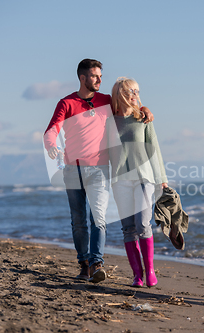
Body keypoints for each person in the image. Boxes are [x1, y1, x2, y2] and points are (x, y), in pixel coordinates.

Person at [44, 60, 153, 283]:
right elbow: (52, 129)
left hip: (99, 169)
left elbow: (127, 108)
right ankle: (84, 264)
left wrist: (144, 109)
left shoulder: (105, 101)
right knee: (78, 220)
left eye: (101, 76)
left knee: (99, 219)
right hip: (72, 170)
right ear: (83, 78)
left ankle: (97, 263)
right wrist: (51, 145)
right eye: (95, 76)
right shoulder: (66, 103)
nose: (100, 80)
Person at [108, 77, 168, 287]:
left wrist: (162, 179)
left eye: (137, 91)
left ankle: (150, 270)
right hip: (119, 180)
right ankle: (137, 275)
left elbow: (155, 148)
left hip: (144, 178)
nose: (135, 94)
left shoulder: (143, 118)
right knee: (127, 229)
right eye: (131, 91)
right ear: (120, 94)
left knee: (143, 224)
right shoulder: (108, 121)